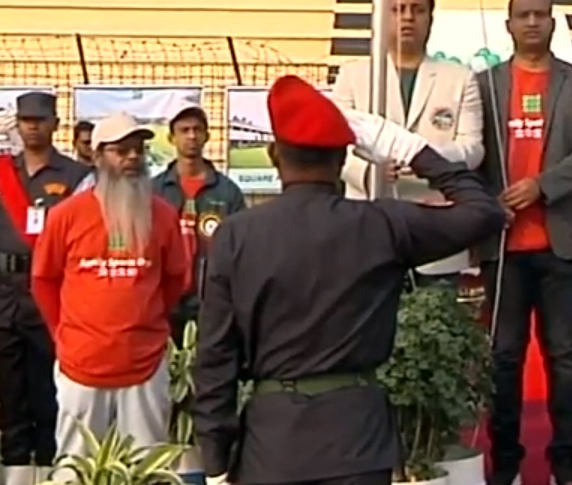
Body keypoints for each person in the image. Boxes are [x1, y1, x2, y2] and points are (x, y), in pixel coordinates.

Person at [192, 74, 505, 485]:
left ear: (273, 156)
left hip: (274, 445)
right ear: (344, 160)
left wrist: (215, 462)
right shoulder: (382, 225)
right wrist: (412, 149)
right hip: (357, 440)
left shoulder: (236, 235)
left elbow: (215, 356)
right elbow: (484, 212)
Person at [477, 0, 572, 485]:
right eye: (523, 16)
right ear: (509, 25)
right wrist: (490, 205)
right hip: (504, 245)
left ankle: (565, 459)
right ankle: (505, 460)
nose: (532, 23)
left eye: (541, 15)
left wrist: (540, 186)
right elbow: (474, 158)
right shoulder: (485, 84)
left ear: (553, 24)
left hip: (560, 240)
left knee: (562, 355)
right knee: (504, 357)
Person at [0, 90, 93, 485]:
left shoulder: (76, 176)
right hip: (3, 293)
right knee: (10, 393)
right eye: (25, 119)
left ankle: (50, 471)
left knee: (50, 391)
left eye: (40, 120)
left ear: (55, 125)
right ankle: (16, 474)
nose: (32, 126)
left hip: (51, 291)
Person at [32, 113, 189, 471]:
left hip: (145, 362)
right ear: (99, 156)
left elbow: (175, 279)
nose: (132, 158)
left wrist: (145, 323)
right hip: (80, 363)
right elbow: (43, 281)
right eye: (121, 151)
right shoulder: (66, 216)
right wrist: (64, 335)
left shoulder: (163, 216)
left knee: (147, 464)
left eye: (138, 150)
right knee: (76, 464)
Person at [333, 0, 485, 287]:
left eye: (417, 10)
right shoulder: (353, 75)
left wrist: (424, 160)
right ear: (382, 16)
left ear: (430, 18)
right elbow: (336, 146)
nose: (407, 17)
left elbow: (473, 147)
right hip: (369, 227)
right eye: (398, 9)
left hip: (437, 230)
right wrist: (370, 172)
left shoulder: (460, 78)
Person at [151, 105, 246, 328]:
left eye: (197, 130)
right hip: (162, 302)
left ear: (207, 136)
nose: (192, 136)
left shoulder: (227, 191)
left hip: (212, 303)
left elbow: (241, 248)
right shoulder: (154, 190)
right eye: (184, 130)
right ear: (171, 138)